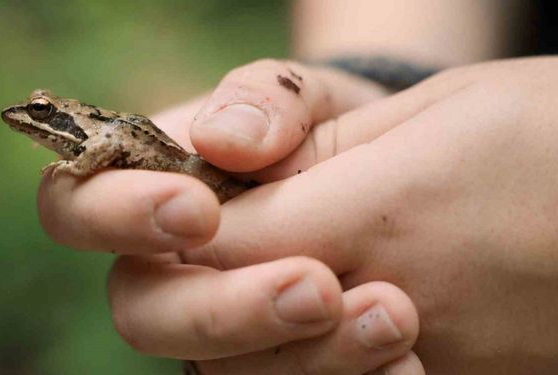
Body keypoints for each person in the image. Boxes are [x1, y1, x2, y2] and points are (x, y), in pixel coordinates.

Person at [37, 1, 558, 374]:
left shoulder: (93, 141)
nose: (28, 118)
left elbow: (102, 153)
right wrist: (376, 85)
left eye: (41, 112)